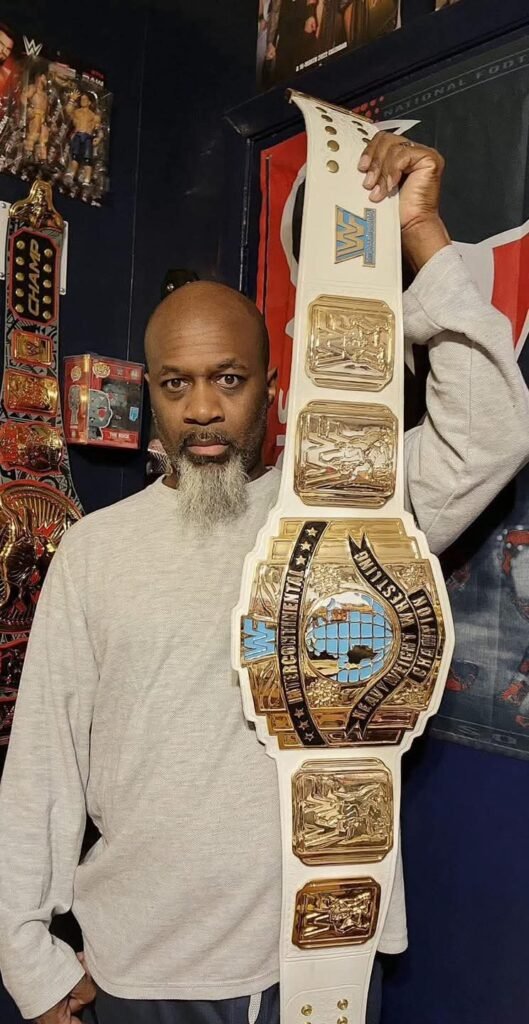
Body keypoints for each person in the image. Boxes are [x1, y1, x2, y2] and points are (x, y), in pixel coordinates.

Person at [0, 133, 528, 1024]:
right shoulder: (97, 551)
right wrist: (28, 961)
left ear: (273, 391)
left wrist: (423, 237)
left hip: (314, 958)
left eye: (229, 380)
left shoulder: (351, 503)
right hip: (141, 967)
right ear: (153, 394)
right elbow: (41, 766)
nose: (202, 409)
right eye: (176, 384)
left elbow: (487, 435)